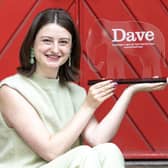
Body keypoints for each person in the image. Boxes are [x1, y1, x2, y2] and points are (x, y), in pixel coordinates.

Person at [0, 8, 167, 168]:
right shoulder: (11, 90)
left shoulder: (76, 92)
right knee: (84, 154)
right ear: (32, 44)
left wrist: (130, 91)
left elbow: (97, 138)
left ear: (71, 49)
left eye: (63, 42)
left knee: (109, 150)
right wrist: (89, 105)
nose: (55, 49)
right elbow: (51, 152)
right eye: (47, 40)